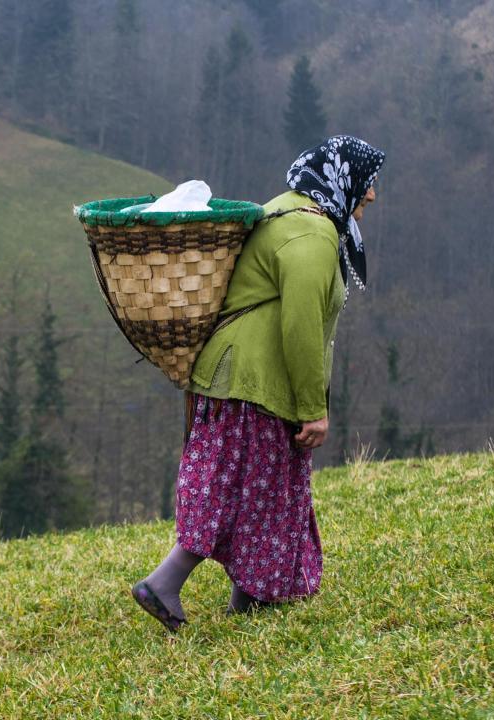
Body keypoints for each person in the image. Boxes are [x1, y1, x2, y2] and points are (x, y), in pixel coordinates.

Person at [131, 136, 386, 631]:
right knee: (233, 488)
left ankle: (250, 598)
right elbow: (301, 328)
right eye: (367, 181)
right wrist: (313, 408)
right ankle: (163, 584)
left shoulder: (287, 213)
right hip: (249, 384)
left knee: (263, 489)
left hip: (241, 381)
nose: (372, 195)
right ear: (339, 179)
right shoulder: (309, 236)